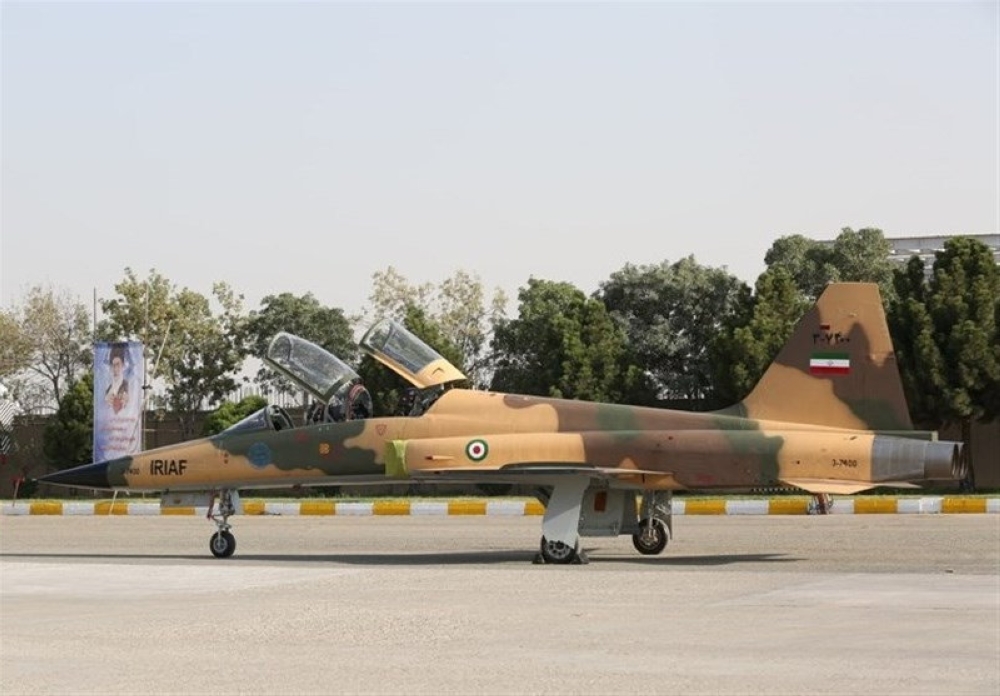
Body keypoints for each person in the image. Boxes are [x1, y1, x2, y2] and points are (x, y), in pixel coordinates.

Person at [104, 345, 130, 414]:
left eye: (118, 365)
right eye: (113, 365)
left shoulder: (127, 386)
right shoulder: (108, 389)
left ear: (123, 365)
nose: (115, 369)